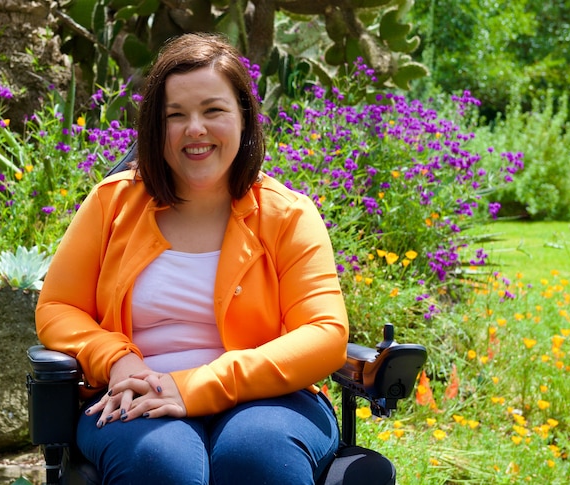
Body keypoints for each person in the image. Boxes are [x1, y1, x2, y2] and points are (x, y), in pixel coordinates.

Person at [36, 33, 349, 484]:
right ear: (154, 129)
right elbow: (57, 307)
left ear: (244, 116)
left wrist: (196, 387)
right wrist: (116, 358)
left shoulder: (289, 214)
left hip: (268, 400)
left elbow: (324, 334)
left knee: (257, 455)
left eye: (213, 110)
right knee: (161, 462)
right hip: (138, 393)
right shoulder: (112, 204)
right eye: (175, 116)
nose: (194, 129)